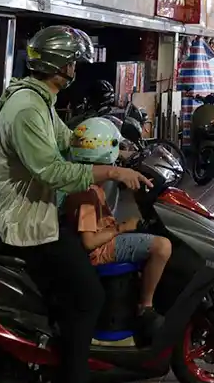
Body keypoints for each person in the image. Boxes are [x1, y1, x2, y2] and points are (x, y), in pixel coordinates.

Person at [0, 25, 149, 383]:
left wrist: (120, 151)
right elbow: (52, 170)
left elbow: (70, 143)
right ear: (60, 65)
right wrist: (113, 172)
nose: (76, 66)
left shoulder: (39, 101)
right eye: (73, 60)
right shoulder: (26, 108)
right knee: (87, 299)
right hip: (27, 223)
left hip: (40, 214)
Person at [65, 117, 172, 345]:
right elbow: (89, 241)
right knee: (162, 247)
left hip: (105, 239)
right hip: (100, 250)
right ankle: (146, 307)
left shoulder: (86, 180)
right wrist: (122, 228)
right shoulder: (87, 193)